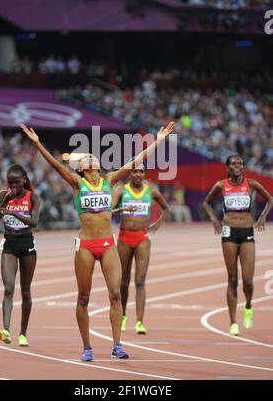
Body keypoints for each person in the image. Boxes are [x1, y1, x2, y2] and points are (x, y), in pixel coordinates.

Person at [21, 121, 174, 361]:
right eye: (89, 159)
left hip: (107, 244)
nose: (94, 159)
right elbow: (54, 165)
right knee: (83, 297)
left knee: (115, 294)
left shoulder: (110, 180)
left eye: (94, 157)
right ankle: (87, 347)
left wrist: (159, 139)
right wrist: (38, 143)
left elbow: (135, 161)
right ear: (83, 168)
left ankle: (117, 345)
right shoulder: (77, 183)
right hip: (85, 246)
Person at [202, 154, 273, 336]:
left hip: (247, 230)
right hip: (229, 231)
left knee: (248, 280)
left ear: (243, 167)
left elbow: (270, 199)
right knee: (232, 278)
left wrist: (263, 217)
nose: (237, 166)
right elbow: (206, 203)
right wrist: (214, 220)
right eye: (233, 163)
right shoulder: (221, 185)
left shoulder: (252, 184)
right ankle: (233, 322)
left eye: (240, 163)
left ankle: (248, 306)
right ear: (227, 168)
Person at [112, 164, 169, 335]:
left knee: (140, 280)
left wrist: (157, 224)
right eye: (134, 171)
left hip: (142, 237)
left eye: (141, 171)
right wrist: (122, 209)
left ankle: (139, 321)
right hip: (124, 237)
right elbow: (110, 211)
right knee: (123, 281)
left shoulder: (151, 191)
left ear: (144, 174)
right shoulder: (121, 190)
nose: (137, 174)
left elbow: (166, 208)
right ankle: (122, 316)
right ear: (129, 174)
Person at [0, 164, 40, 347]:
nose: (13, 187)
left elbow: (34, 222)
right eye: (10, 183)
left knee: (25, 291)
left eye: (17, 183)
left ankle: (23, 333)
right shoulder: (3, 195)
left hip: (27, 245)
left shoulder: (33, 197)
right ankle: (6, 330)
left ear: (24, 180)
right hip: (9, 245)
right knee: (8, 288)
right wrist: (3, 205)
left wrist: (14, 213)